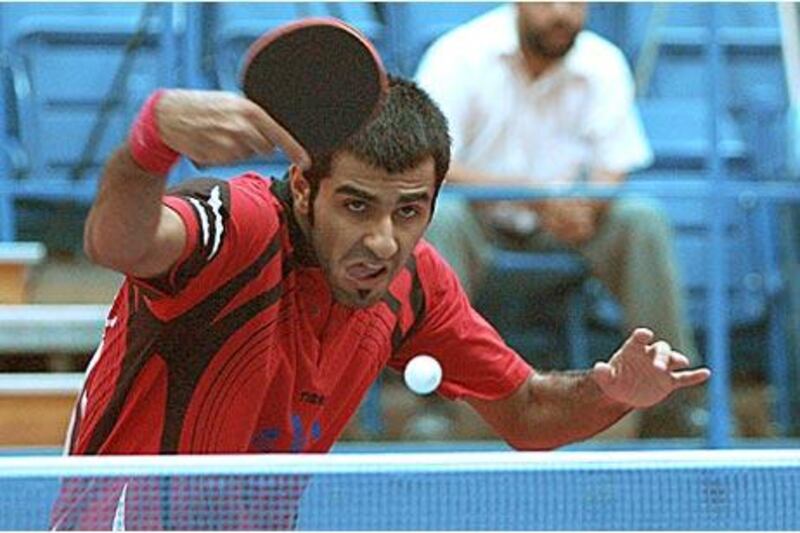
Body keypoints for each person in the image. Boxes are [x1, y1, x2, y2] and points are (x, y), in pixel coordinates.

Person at [55, 72, 708, 528]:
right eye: (356, 204)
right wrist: (150, 144)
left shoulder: (414, 282)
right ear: (305, 185)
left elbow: (527, 411)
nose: (381, 239)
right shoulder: (242, 227)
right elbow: (120, 243)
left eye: (409, 210)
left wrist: (614, 390)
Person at [415, 3, 701, 437]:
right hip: (479, 221)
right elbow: (429, 165)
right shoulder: (459, 55)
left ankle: (670, 399)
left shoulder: (602, 61)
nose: (562, 13)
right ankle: (433, 403)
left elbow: (613, 165)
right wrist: (532, 195)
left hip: (566, 228)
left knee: (641, 219)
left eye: (575, 2)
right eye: (549, 1)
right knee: (442, 219)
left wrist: (591, 207)